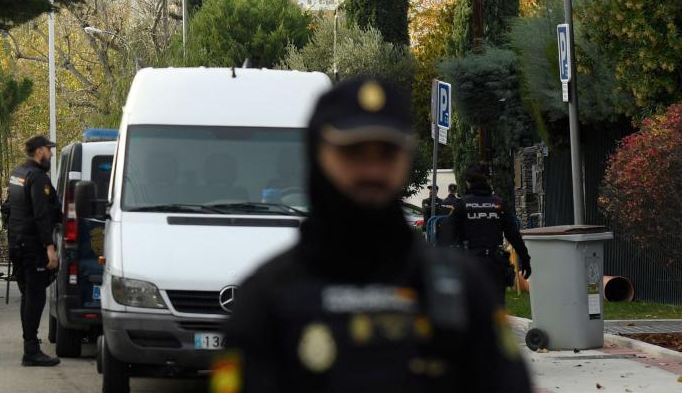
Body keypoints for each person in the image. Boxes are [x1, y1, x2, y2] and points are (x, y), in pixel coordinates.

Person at [213, 77, 532, 393]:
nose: (372, 170)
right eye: (353, 153)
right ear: (318, 155)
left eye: (387, 154)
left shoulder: (462, 289)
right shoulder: (266, 298)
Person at [5, 135, 61, 367]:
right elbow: (41, 215)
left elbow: (7, 207)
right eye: (49, 149)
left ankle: (30, 346)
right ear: (39, 151)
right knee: (36, 297)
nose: (51, 154)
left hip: (17, 243)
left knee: (28, 295)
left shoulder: (17, 174)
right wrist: (50, 248)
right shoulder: (38, 178)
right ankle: (31, 351)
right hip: (32, 245)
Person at [450, 164, 532, 306]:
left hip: (470, 264)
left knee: (471, 310)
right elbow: (513, 235)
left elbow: (447, 235)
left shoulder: (462, 204)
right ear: (487, 182)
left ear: (468, 183)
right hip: (495, 264)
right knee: (496, 310)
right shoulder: (499, 203)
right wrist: (525, 259)